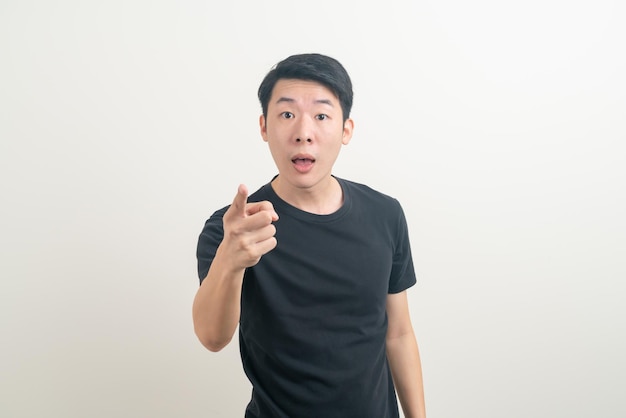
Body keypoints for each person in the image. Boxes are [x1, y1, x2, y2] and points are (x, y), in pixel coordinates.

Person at [193, 53, 426, 418]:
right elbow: (211, 337)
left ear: (346, 129)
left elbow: (398, 333)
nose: (303, 132)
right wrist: (231, 259)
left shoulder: (385, 214)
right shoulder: (236, 227)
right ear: (264, 127)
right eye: (286, 114)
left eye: (321, 115)